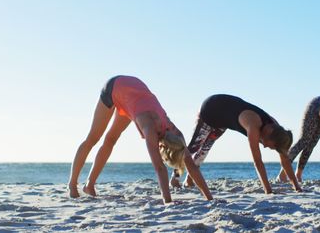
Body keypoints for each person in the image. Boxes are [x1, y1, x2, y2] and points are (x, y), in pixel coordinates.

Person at [67, 75, 213, 204]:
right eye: (174, 130)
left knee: (111, 139)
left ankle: (89, 185)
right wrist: (167, 201)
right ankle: (72, 185)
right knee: (93, 138)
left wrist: (209, 198)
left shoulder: (172, 133)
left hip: (130, 95)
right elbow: (159, 168)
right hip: (114, 87)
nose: (175, 129)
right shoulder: (153, 129)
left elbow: (189, 164)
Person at [170, 94, 302, 193]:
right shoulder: (254, 126)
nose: (266, 146)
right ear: (268, 135)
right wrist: (268, 190)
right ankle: (175, 178)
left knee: (204, 151)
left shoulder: (277, 132)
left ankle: (190, 180)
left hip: (223, 120)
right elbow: (258, 161)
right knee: (192, 148)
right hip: (211, 109)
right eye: (269, 145)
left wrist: (296, 187)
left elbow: (285, 160)